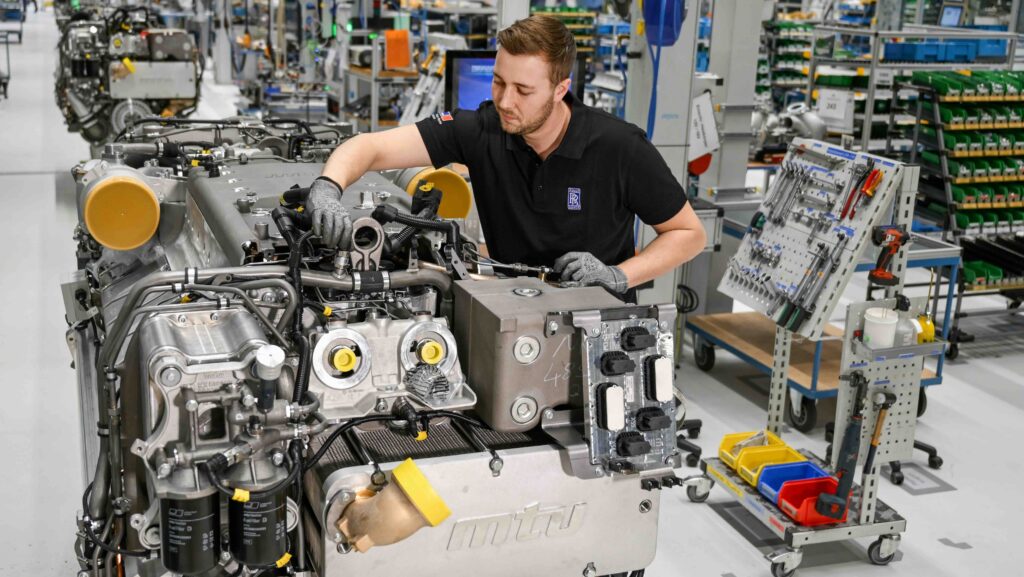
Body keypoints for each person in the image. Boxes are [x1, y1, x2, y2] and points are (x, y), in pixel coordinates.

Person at [310, 15, 706, 298]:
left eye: (523, 89)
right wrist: (328, 188)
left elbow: (688, 234)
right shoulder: (482, 129)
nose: (505, 100)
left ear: (560, 88)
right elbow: (370, 146)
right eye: (499, 82)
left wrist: (617, 275)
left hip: (595, 319)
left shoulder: (619, 146)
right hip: (507, 311)